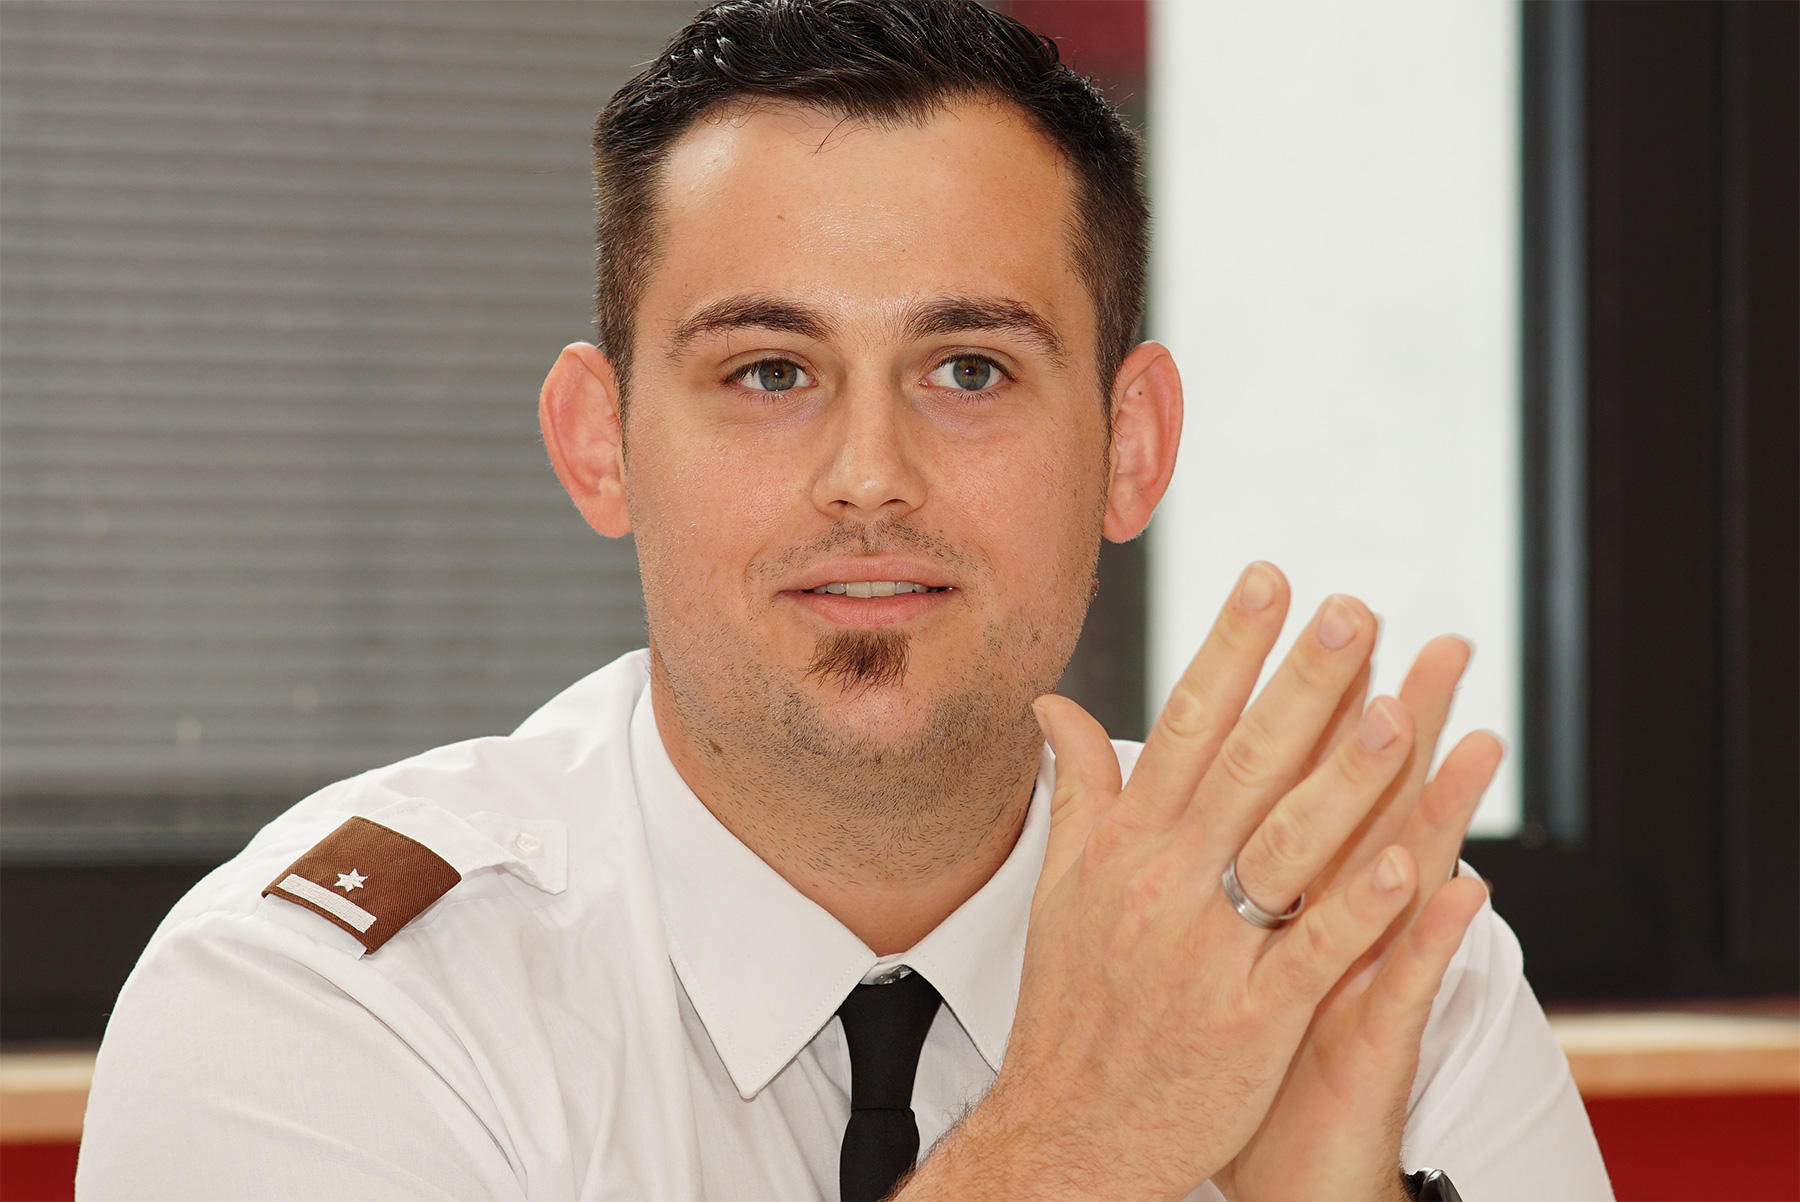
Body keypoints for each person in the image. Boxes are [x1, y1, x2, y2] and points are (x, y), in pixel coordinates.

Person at [75, 2, 1612, 1199]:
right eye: (768, 372)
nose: (870, 474)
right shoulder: (312, 1002)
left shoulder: (1348, 961)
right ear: (600, 445)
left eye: (970, 370)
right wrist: (1081, 1139)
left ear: (1130, 446)